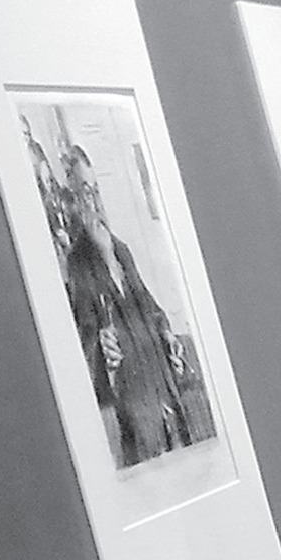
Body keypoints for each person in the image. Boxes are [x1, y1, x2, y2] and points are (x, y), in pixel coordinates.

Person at [61, 147, 194, 466]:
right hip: (133, 398)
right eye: (82, 194)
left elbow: (150, 307)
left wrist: (168, 336)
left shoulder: (121, 249)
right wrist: (102, 349)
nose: (92, 203)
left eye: (94, 191)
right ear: (72, 202)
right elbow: (85, 338)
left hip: (162, 384)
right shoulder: (77, 263)